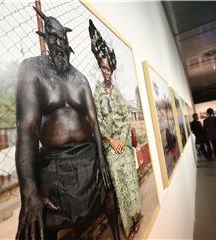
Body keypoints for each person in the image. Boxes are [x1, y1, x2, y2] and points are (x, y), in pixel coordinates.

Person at [15, 8, 119, 240]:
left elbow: (93, 122)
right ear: (45, 39)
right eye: (54, 38)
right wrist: (29, 189)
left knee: (109, 195)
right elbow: (27, 128)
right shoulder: (33, 69)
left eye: (63, 38)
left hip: (88, 154)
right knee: (42, 220)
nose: (60, 44)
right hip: (54, 160)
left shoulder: (80, 79)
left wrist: (102, 161)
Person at [90, 19, 141, 238]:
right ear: (100, 68)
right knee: (119, 188)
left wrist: (122, 140)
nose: (106, 72)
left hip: (125, 148)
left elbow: (126, 119)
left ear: (113, 67)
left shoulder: (118, 91)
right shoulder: (97, 90)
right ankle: (128, 225)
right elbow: (97, 119)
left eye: (109, 68)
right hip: (112, 149)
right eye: (103, 68)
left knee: (131, 183)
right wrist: (110, 139)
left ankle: (137, 215)